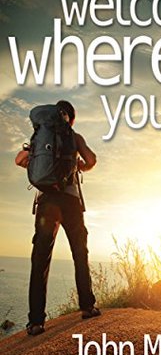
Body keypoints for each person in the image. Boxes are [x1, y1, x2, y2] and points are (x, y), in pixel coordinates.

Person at [15, 100, 101, 336]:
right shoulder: (74, 137)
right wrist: (78, 166)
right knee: (79, 254)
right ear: (71, 119)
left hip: (47, 203)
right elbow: (92, 160)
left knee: (40, 260)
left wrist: (41, 170)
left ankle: (35, 322)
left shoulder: (40, 137)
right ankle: (87, 306)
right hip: (71, 202)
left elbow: (19, 159)